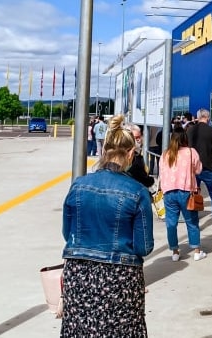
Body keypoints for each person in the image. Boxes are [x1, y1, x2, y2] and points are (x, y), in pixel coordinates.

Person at [61, 114, 154, 337]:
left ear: (104, 151)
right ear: (131, 153)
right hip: (120, 277)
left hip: (79, 273)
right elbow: (144, 247)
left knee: (80, 330)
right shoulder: (137, 191)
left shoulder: (79, 185)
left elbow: (68, 233)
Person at [160, 126, 206, 261]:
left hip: (168, 192)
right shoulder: (191, 152)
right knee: (191, 221)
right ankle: (197, 251)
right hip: (186, 191)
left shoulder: (165, 154)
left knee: (171, 223)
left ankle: (175, 251)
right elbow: (198, 170)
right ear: (185, 138)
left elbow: (162, 172)